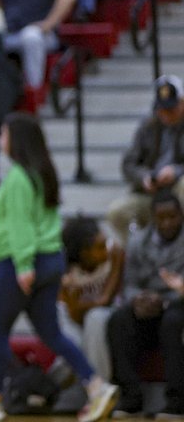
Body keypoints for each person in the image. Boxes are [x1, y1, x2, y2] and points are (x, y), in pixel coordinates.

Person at [0, 113, 118, 422]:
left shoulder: (18, 177)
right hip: (51, 260)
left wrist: (22, 264)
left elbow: (20, 226)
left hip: (25, 262)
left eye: (3, 134)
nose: (0, 139)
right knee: (51, 333)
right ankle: (97, 386)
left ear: (16, 140)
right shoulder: (43, 172)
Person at [107, 191, 184, 418]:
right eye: (162, 217)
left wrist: (167, 300)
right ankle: (130, 396)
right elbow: (129, 283)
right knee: (118, 320)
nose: (168, 222)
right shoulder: (138, 241)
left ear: (181, 215)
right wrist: (138, 299)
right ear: (153, 218)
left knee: (173, 323)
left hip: (178, 303)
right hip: (147, 305)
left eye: (173, 217)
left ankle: (177, 401)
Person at [107, 75, 184, 241]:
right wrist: (145, 178)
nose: (166, 115)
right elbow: (128, 165)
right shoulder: (147, 125)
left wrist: (176, 172)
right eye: (162, 110)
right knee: (116, 212)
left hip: (177, 194)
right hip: (151, 196)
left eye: (171, 110)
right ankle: (139, 256)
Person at [60, 215, 123, 384]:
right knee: (74, 344)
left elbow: (106, 300)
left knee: (95, 318)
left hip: (103, 315)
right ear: (83, 253)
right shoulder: (65, 272)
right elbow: (73, 314)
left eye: (105, 242)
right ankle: (49, 388)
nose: (106, 249)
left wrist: (85, 306)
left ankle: (101, 389)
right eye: (100, 247)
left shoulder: (115, 252)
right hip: (71, 317)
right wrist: (87, 306)